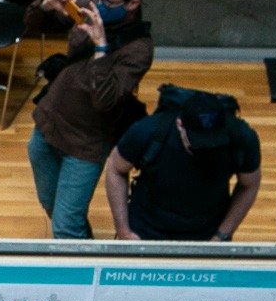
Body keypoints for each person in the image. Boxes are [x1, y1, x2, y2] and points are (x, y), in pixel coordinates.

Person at [24, 0, 154, 239]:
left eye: (106, 1)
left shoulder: (139, 50)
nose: (96, 4)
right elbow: (33, 24)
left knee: (66, 226)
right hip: (48, 124)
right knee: (51, 205)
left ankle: (80, 278)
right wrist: (47, 4)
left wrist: (101, 47)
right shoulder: (90, 9)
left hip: (85, 144)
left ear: (131, 4)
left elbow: (105, 101)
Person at [105, 92, 261, 243]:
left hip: (208, 234)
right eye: (198, 143)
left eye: (213, 142)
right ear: (180, 125)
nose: (206, 149)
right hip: (146, 230)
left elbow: (249, 184)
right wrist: (124, 232)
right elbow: (115, 168)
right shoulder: (148, 131)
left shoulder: (242, 138)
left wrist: (222, 235)